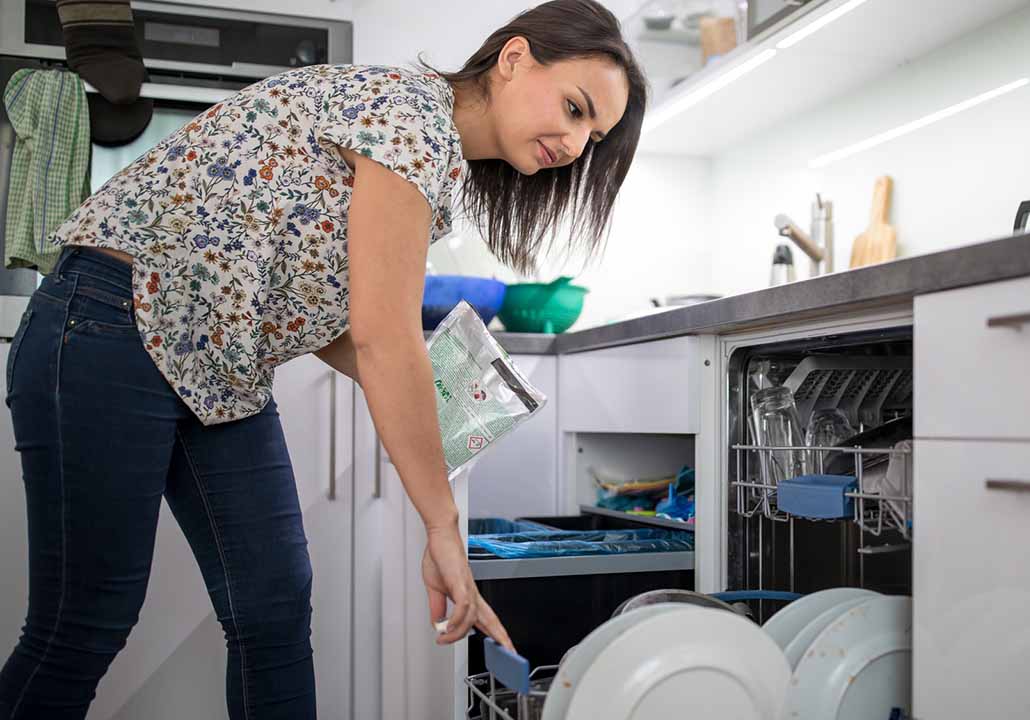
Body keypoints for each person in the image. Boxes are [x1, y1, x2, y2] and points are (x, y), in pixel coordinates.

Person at [0, 0, 646, 717]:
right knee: (82, 625)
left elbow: (329, 318)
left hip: (217, 361)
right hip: (106, 324)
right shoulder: (412, 117)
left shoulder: (436, 166)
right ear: (516, 58)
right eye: (576, 107)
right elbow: (382, 333)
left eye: (595, 135)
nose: (578, 142)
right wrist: (442, 529)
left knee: (273, 611)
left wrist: (443, 396)